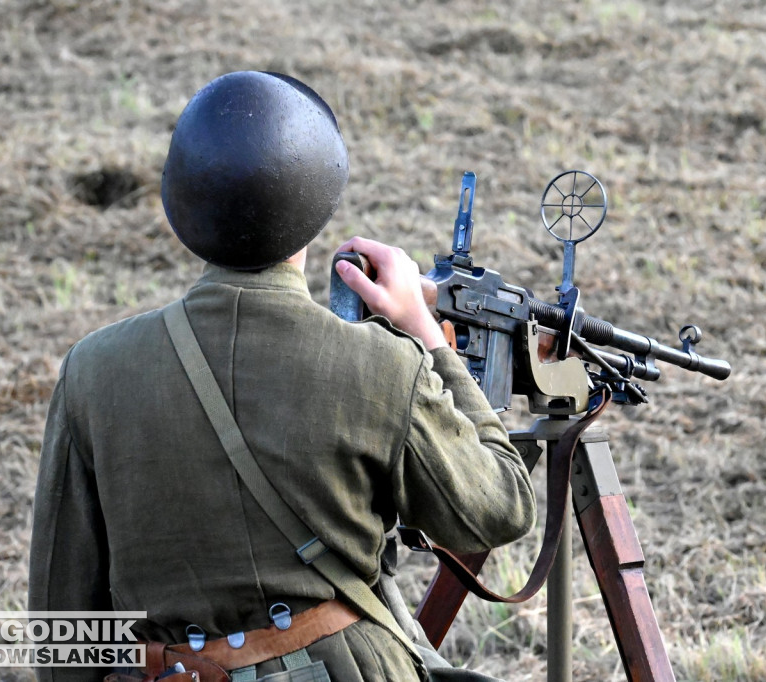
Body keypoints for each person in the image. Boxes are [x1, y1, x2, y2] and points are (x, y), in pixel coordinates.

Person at [28, 70, 536, 682]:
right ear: (316, 211)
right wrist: (428, 337)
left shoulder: (93, 370)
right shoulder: (381, 365)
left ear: (178, 208)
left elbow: (62, 627)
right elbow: (499, 508)